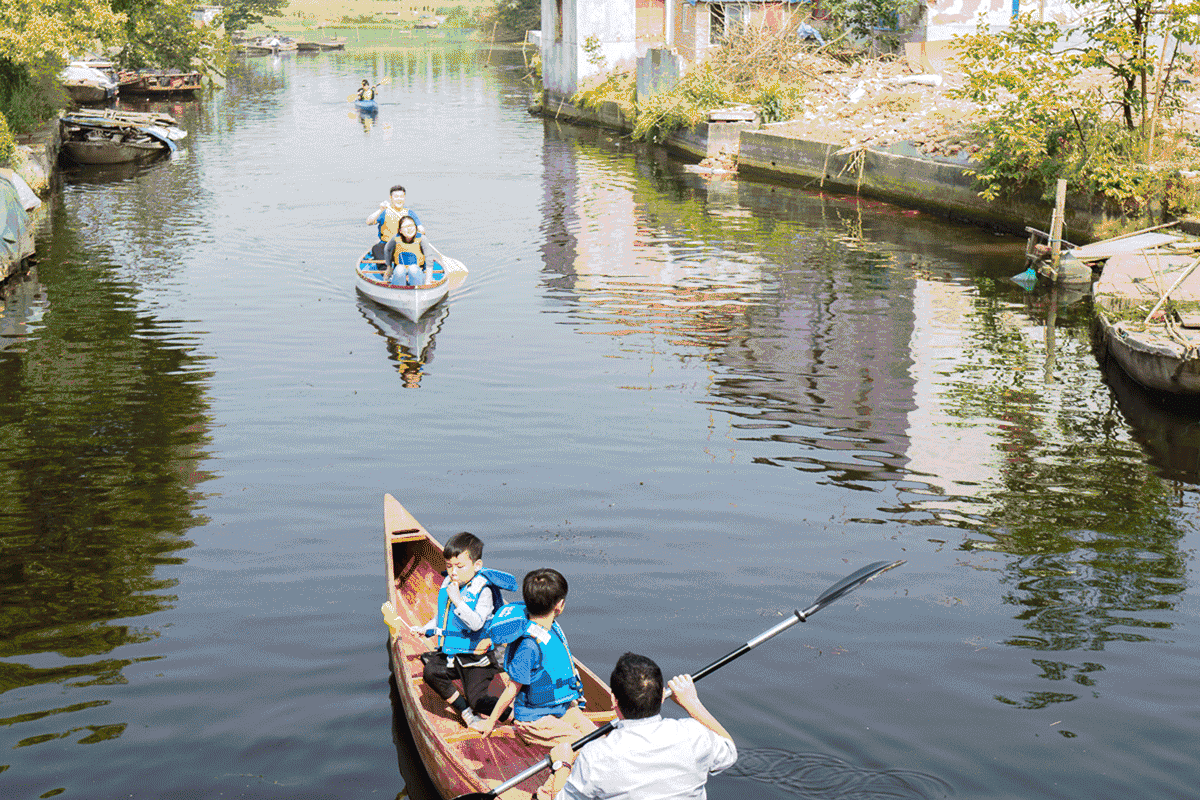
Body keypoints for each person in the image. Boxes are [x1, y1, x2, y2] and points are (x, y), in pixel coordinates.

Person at [547, 653, 737, 800]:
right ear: (662, 696)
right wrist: (692, 703)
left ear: (613, 700)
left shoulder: (595, 755)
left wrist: (562, 764)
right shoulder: (695, 734)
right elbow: (729, 751)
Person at [476, 568, 596, 799]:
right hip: (533, 719)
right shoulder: (528, 647)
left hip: (562, 708)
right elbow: (512, 688)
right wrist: (491, 722)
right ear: (559, 605)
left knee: (597, 739)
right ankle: (547, 793)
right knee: (572, 746)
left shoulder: (552, 630)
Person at [412, 532, 516, 731]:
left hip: (476, 657)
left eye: (460, 567)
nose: (453, 572)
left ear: (476, 566)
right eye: (449, 566)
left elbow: (476, 624)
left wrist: (458, 600)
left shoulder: (482, 590)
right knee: (431, 672)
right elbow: (444, 618)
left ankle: (515, 718)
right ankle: (466, 712)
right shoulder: (449, 585)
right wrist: (425, 630)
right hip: (453, 654)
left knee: (479, 701)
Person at [366, 184, 423, 262]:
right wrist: (380, 210)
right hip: (386, 245)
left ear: (404, 198)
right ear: (390, 198)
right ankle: (384, 270)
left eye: (401, 196)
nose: (399, 199)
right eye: (396, 197)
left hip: (404, 245)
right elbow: (369, 222)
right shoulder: (384, 212)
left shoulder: (410, 213)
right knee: (376, 248)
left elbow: (422, 230)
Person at [382, 215, 427, 286]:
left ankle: (416, 289)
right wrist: (389, 267)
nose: (409, 229)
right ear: (400, 230)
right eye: (406, 227)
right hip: (401, 271)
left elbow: (429, 259)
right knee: (399, 269)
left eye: (412, 226)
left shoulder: (422, 239)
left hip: (418, 272)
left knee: (413, 269)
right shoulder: (396, 238)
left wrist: (429, 280)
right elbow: (387, 249)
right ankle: (399, 290)